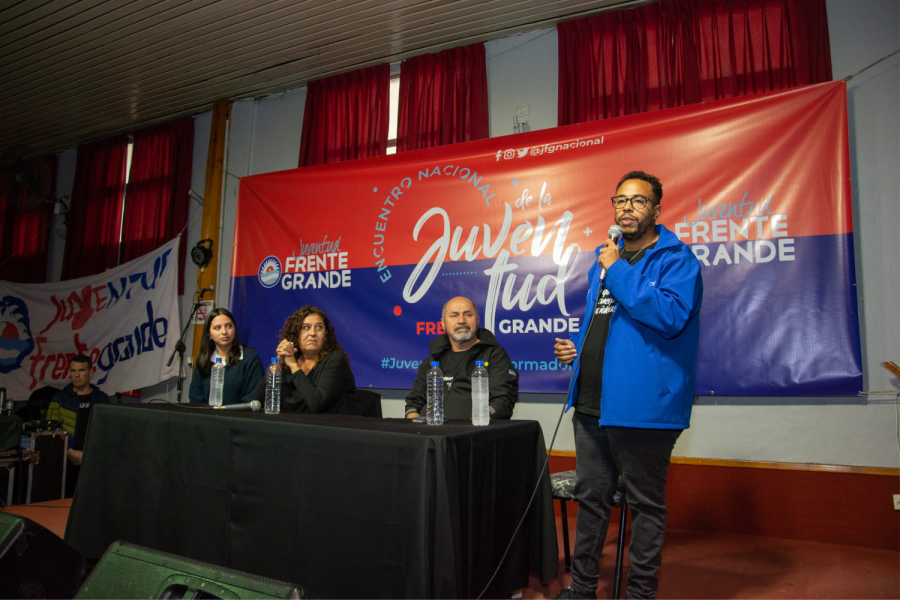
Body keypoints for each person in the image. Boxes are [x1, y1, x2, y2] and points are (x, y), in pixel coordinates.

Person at [551, 171, 703, 600]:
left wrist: (616, 268)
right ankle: (581, 590)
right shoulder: (606, 262)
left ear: (657, 209)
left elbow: (669, 318)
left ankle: (639, 595)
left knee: (645, 506)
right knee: (592, 500)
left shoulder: (675, 259)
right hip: (592, 403)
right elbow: (607, 325)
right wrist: (578, 351)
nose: (627, 208)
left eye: (638, 201)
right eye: (620, 200)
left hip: (643, 408)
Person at [405, 296, 518, 420]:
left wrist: (474, 425)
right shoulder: (433, 359)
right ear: (443, 323)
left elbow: (503, 400)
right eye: (454, 315)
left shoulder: (494, 355)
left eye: (468, 315)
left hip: (473, 435)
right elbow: (414, 403)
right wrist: (415, 427)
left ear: (477, 320)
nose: (461, 321)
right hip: (431, 434)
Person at [255, 305, 358, 413]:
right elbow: (259, 400)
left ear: (325, 335)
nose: (313, 333)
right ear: (296, 334)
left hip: (328, 426)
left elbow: (317, 404)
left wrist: (294, 365)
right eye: (306, 327)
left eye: (319, 327)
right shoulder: (289, 359)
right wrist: (278, 364)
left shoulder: (335, 360)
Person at [46, 354, 110, 497]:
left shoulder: (102, 399)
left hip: (92, 461)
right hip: (65, 462)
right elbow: (50, 430)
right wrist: (68, 451)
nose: (76, 375)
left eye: (81, 370)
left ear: (90, 372)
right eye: (73, 371)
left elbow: (107, 432)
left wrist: (90, 453)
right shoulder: (60, 399)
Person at [189, 308, 264, 406]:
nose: (224, 331)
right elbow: (195, 397)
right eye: (217, 328)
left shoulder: (249, 358)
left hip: (239, 418)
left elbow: (252, 397)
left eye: (229, 326)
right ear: (209, 334)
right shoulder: (204, 359)